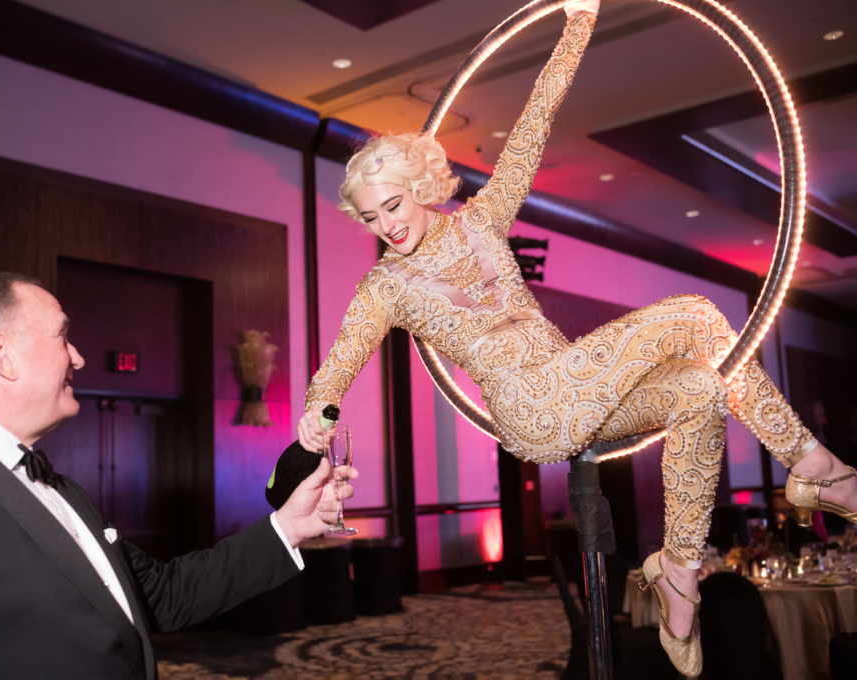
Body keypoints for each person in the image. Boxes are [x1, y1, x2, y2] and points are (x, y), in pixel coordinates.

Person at [296, 1, 856, 675]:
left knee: (701, 388)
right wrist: (318, 413)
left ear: (419, 188)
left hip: (573, 386)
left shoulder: (484, 219)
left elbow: (535, 121)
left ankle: (679, 572)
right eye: (370, 216)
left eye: (392, 204)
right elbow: (339, 362)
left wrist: (577, 24)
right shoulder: (384, 288)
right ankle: (815, 467)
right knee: (698, 315)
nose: (386, 225)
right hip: (531, 409)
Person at [0, 271, 355, 680]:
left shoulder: (60, 489)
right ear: (0, 355)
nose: (79, 356)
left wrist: (290, 525)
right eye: (64, 337)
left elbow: (162, 597)